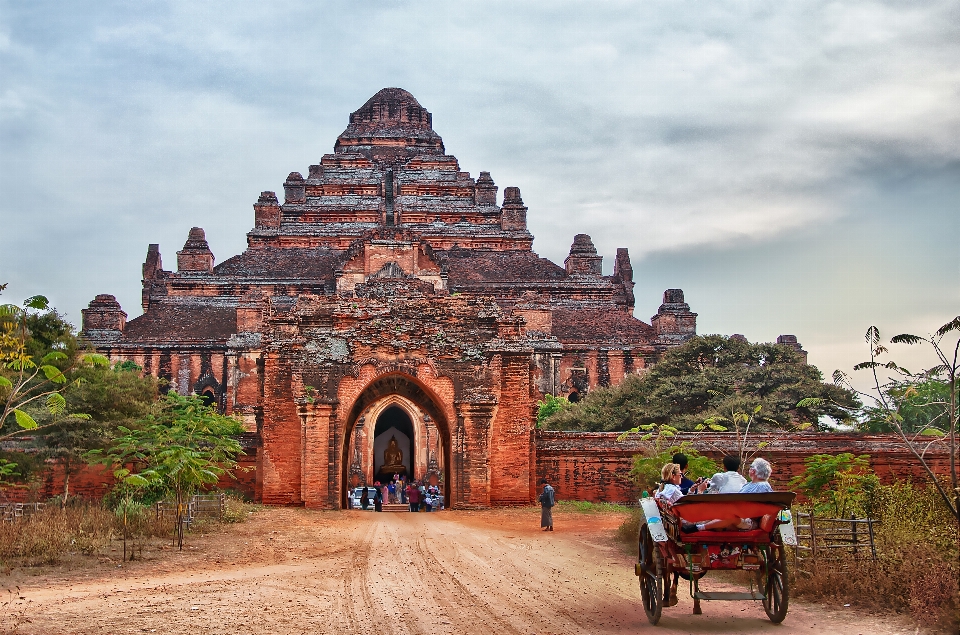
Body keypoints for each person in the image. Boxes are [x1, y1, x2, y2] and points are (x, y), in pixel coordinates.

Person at [682, 458, 775, 533]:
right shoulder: (748, 483)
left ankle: (699, 527)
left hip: (747, 519)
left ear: (753, 471)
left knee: (729, 515)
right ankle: (689, 522)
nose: (749, 469)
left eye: (751, 467)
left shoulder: (763, 486)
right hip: (739, 514)